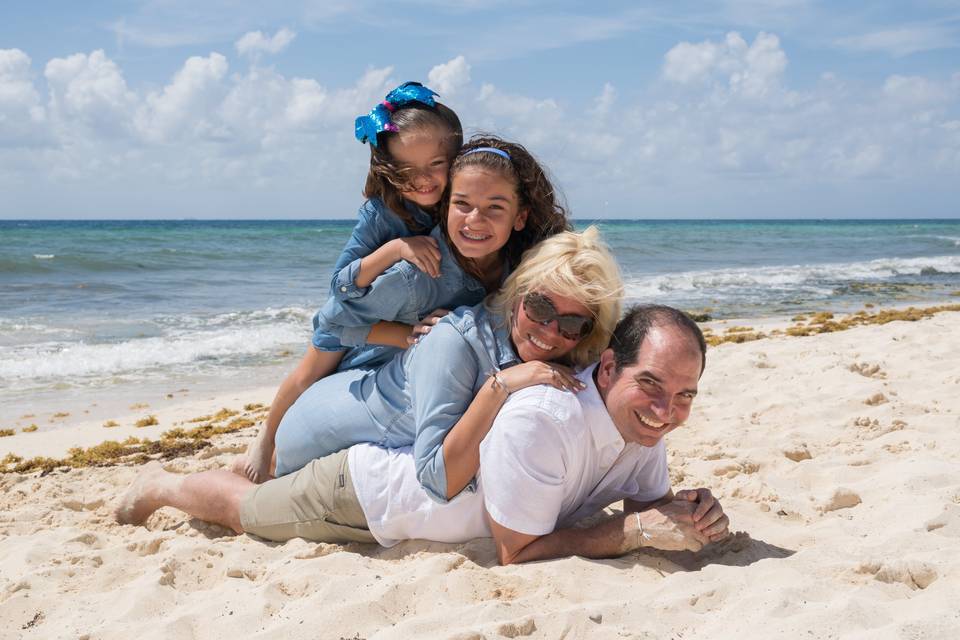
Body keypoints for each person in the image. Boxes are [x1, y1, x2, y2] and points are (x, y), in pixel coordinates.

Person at [116, 305, 730, 564]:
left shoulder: (643, 430)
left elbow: (648, 506)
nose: (666, 409)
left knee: (256, 498)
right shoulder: (546, 418)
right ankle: (162, 484)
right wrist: (629, 532)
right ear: (606, 369)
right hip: (367, 496)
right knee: (245, 509)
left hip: (405, 502)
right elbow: (517, 551)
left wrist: (689, 511)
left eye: (685, 396)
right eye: (651, 385)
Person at [272, 226, 621, 503]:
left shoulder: (565, 349)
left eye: (573, 324)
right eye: (540, 308)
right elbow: (437, 481)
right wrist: (501, 385)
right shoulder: (454, 343)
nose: (550, 331)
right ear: (517, 294)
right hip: (308, 440)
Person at [234, 81, 463, 483]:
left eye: (435, 165)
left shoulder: (454, 207)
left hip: (391, 320)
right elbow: (339, 286)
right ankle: (265, 438)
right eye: (407, 170)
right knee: (307, 376)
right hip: (345, 318)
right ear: (387, 169)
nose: (422, 180)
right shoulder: (379, 214)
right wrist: (395, 249)